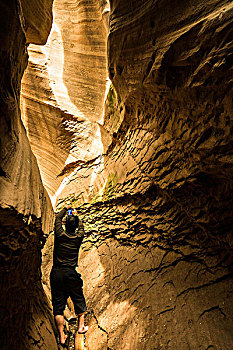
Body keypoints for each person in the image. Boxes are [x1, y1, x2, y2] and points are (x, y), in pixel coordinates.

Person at [50, 206, 88, 345]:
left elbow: (57, 218)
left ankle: (61, 336)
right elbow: (81, 227)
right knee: (78, 298)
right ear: (76, 225)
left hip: (57, 273)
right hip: (71, 273)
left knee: (58, 307)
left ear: (65, 223)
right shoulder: (78, 237)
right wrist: (76, 216)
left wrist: (66, 209)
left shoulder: (60, 234)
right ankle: (81, 327)